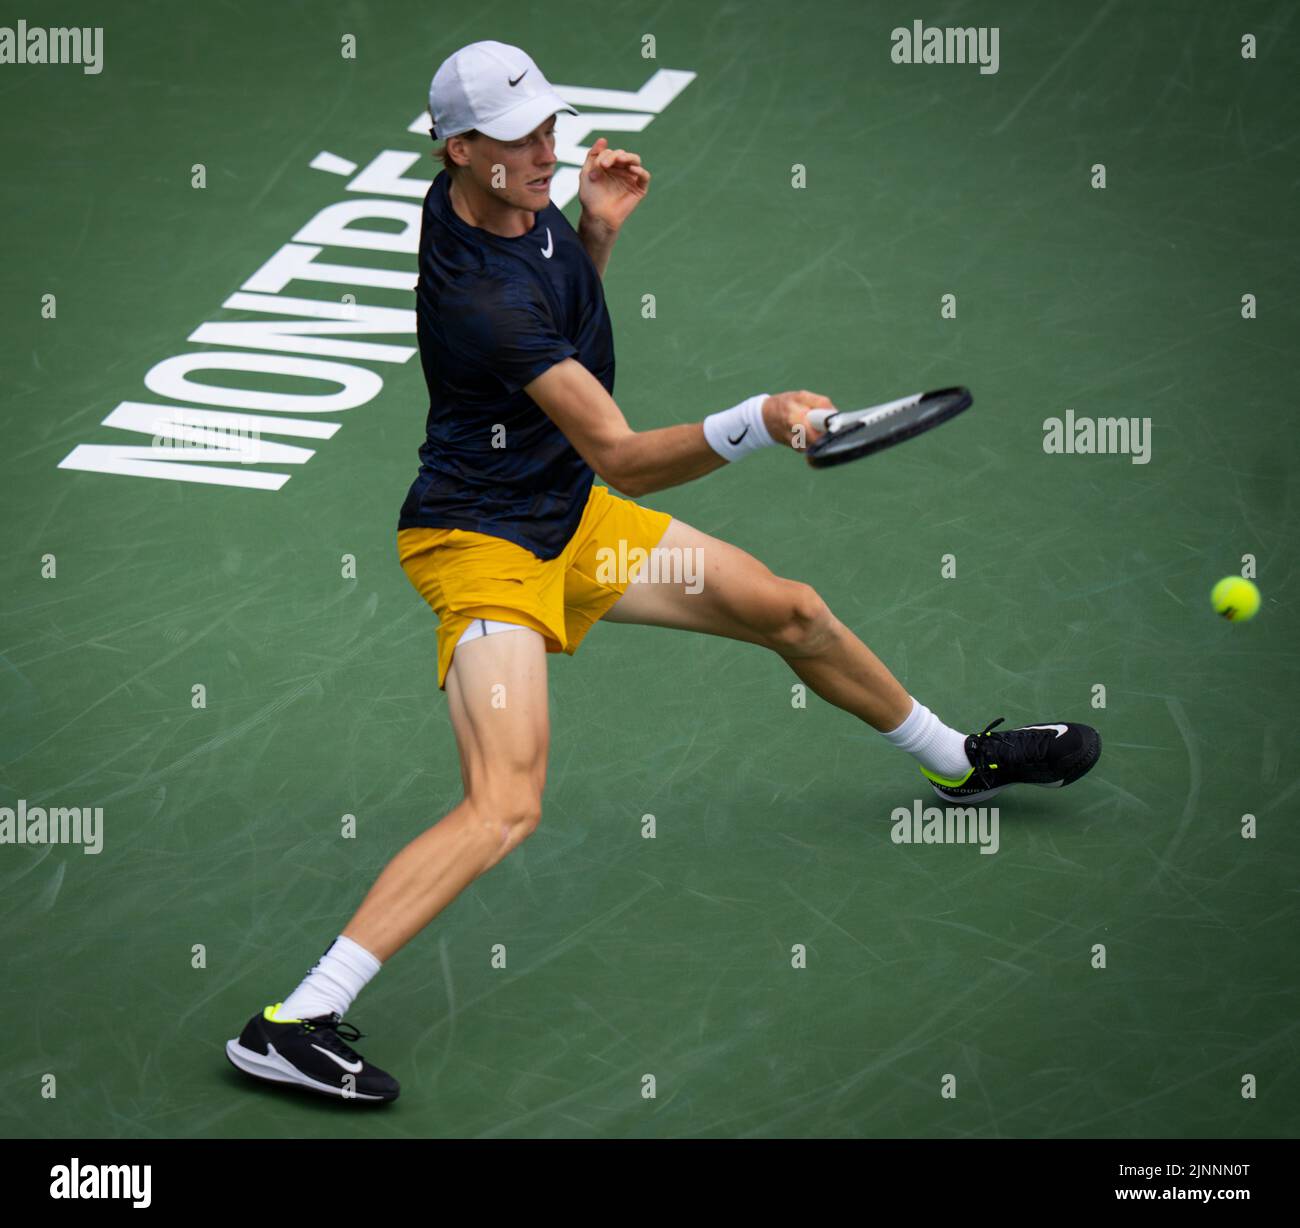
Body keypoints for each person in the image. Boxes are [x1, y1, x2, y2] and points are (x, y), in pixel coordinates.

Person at [225, 40, 1100, 1103]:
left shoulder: (502, 202)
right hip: (482, 543)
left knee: (792, 611)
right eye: (517, 140)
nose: (545, 151)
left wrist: (592, 232)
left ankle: (959, 761)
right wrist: (761, 419)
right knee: (504, 804)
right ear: (458, 149)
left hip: (566, 517)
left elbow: (565, 332)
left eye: (547, 126)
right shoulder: (480, 299)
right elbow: (623, 453)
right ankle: (295, 1020)